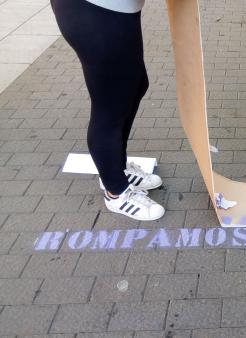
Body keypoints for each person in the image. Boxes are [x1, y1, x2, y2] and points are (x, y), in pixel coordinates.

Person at [51, 0, 165, 220]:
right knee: (110, 104)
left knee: (136, 85)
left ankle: (116, 167)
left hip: (119, 9)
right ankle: (116, 191)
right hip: (94, 10)